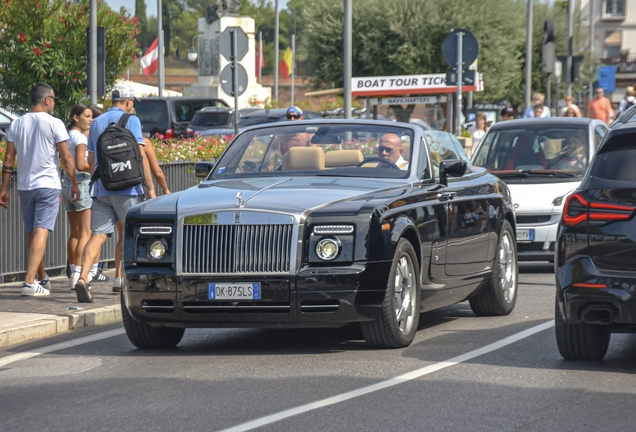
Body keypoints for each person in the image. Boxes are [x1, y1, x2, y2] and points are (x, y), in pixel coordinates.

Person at [74, 83, 156, 302]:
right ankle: (130, 282)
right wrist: (150, 188)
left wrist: (100, 182)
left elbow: (91, 161)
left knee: (98, 235)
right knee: (133, 235)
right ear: (128, 102)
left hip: (102, 188)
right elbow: (140, 157)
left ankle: (82, 278)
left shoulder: (97, 122)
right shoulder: (132, 121)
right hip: (128, 188)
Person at [0, 83, 80, 296]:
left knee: (32, 232)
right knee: (41, 231)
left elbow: (9, 158)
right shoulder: (55, 123)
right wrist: (74, 183)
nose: (54, 102)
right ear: (46, 100)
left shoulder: (16, 124)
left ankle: (42, 278)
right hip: (48, 185)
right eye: (53, 98)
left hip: (25, 186)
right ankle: (28, 282)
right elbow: (66, 157)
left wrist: (4, 188)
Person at [112, 137, 170, 292]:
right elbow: (156, 170)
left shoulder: (115, 142)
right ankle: (151, 278)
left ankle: (118, 276)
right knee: (147, 236)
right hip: (137, 192)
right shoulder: (143, 142)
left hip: (115, 191)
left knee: (122, 236)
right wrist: (165, 189)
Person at [64, 104, 94, 290]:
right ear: (76, 117)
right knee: (86, 233)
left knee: (74, 233)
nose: (90, 120)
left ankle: (72, 272)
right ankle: (78, 274)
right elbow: (81, 165)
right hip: (81, 182)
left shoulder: (66, 135)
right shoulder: (80, 137)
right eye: (87, 116)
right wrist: (95, 165)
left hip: (67, 182)